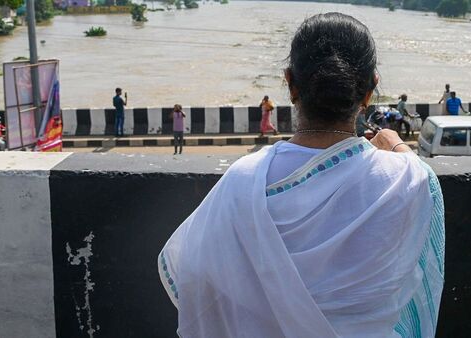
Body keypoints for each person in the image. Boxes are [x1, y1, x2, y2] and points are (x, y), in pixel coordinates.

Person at [158, 13, 445, 338]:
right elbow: (424, 179)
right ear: (369, 91)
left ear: (291, 84)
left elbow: (194, 275)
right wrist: (394, 144)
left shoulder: (244, 180)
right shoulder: (405, 178)